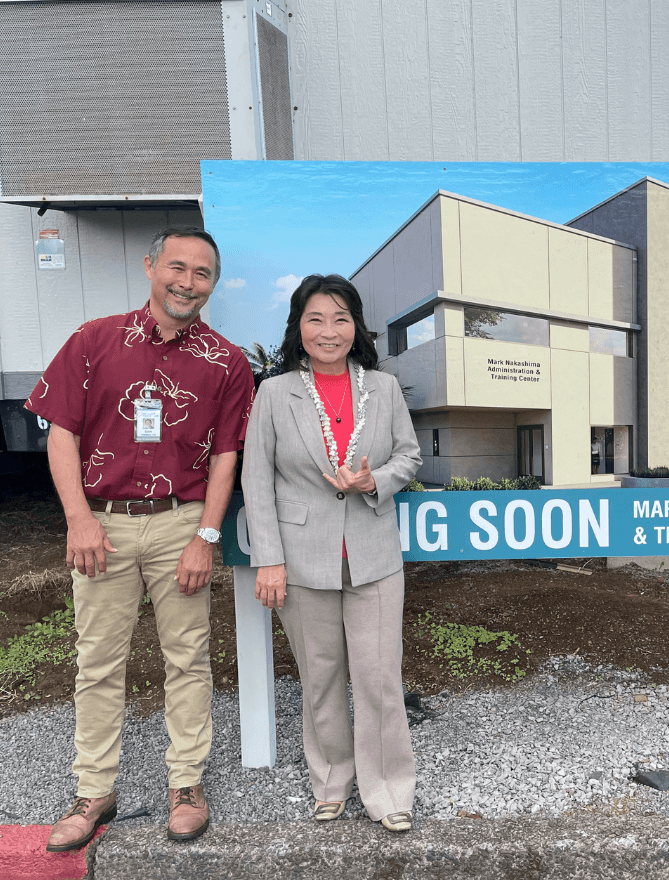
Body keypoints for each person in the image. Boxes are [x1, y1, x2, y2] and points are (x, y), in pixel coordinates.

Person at [27, 228, 254, 851]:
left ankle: (186, 784)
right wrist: (77, 517)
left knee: (188, 657)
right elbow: (61, 432)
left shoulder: (228, 363)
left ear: (214, 282)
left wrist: (206, 535)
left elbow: (227, 456)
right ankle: (95, 789)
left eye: (202, 273)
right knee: (98, 661)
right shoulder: (93, 341)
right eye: (176, 267)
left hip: (182, 521)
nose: (187, 282)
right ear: (150, 265)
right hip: (102, 523)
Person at [243, 275, 422, 832]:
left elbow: (410, 458)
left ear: (356, 326)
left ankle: (390, 789)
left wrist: (375, 482)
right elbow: (257, 482)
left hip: (372, 555)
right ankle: (330, 780)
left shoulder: (384, 389)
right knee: (319, 677)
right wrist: (268, 559)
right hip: (300, 559)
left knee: (378, 679)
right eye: (316, 318)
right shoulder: (273, 394)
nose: (329, 331)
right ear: (299, 327)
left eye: (341, 318)